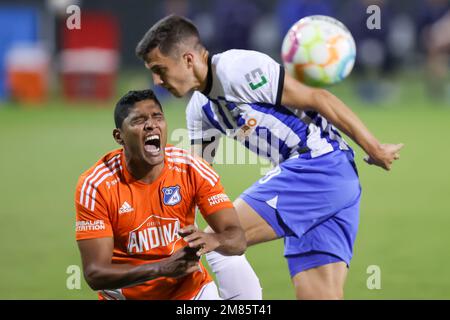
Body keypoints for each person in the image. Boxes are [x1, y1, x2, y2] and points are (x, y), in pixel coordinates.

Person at [135, 15, 404, 300]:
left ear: (188, 60)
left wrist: (373, 148)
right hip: (325, 184)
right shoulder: (199, 110)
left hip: (318, 166)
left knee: (222, 241)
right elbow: (198, 179)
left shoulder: (238, 69)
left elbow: (319, 98)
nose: (156, 80)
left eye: (159, 69)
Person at [74, 89, 246, 300]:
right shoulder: (96, 185)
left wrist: (214, 240)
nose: (151, 124)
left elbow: (237, 239)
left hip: (191, 293)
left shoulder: (192, 167)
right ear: (119, 137)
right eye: (138, 120)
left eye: (158, 117)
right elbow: (95, 274)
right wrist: (162, 268)